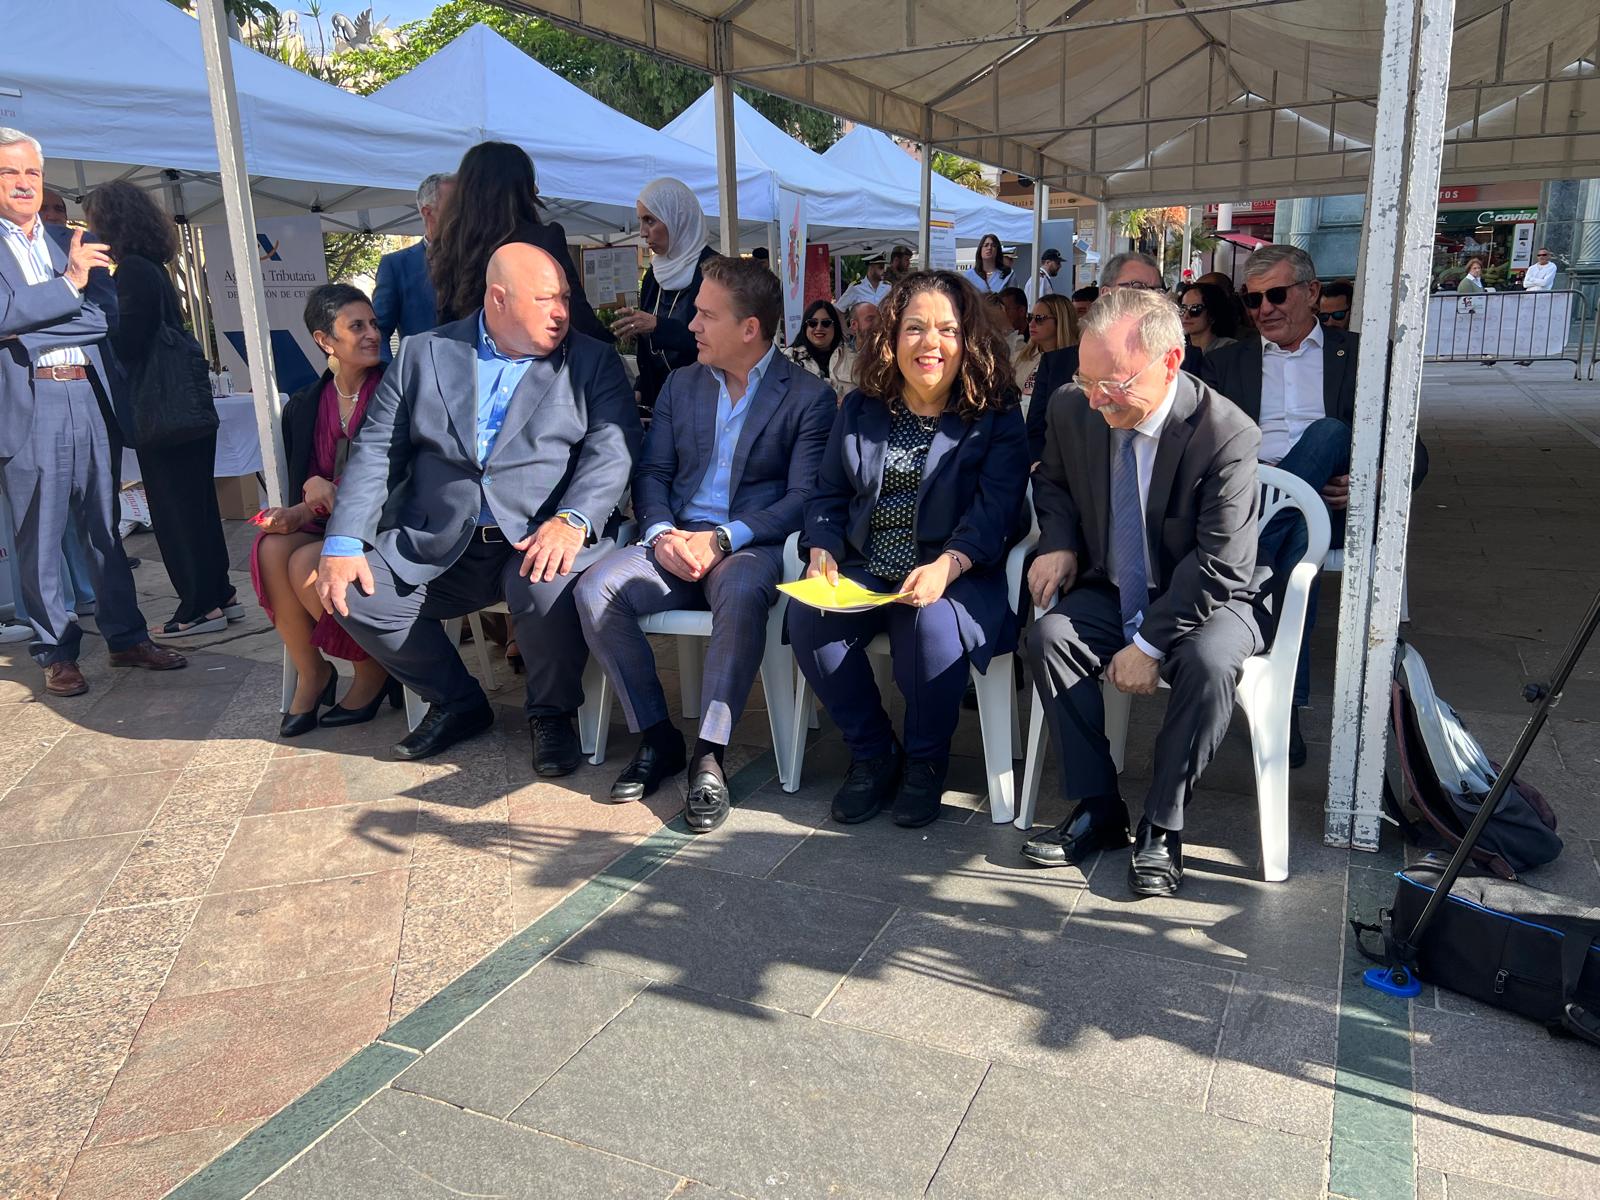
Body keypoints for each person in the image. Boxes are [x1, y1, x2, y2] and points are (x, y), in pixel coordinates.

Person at [317, 243, 642, 768]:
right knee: (351, 592)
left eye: (564, 297)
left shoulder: (590, 359)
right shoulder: (424, 353)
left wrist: (574, 519)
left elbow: (613, 448)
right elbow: (376, 450)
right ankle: (459, 702)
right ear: (498, 298)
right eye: (545, 299)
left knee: (548, 587)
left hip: (537, 534)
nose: (561, 311)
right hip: (441, 536)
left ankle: (551, 714)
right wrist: (343, 539)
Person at [1021, 286, 1268, 897]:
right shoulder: (1073, 406)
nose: (1097, 398)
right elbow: (1052, 483)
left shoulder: (1225, 434)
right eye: (1087, 380)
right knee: (1050, 637)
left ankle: (1162, 824)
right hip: (1113, 582)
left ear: (1170, 362)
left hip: (1208, 596)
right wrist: (1059, 542)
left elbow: (1221, 564)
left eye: (1114, 384)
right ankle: (1098, 808)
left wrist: (1149, 645)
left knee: (1210, 663)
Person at [577, 257, 836, 832]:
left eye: (705, 315)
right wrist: (662, 533)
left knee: (740, 591)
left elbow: (803, 497)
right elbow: (653, 473)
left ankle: (710, 755)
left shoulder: (808, 397)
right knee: (595, 590)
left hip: (750, 544)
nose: (691, 325)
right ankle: (658, 737)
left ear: (749, 328)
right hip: (675, 538)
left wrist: (724, 537)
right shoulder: (682, 383)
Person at [788, 270, 1027, 829]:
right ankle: (873, 753)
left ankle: (925, 760)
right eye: (915, 327)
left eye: (947, 329)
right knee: (808, 617)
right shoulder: (861, 407)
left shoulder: (995, 412)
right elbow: (828, 493)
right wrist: (821, 547)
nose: (930, 342)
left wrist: (948, 564)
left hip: (956, 567)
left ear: (968, 339)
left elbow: (998, 509)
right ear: (892, 337)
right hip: (866, 564)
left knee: (929, 628)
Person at [1201, 243, 1427, 767]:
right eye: (1252, 300)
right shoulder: (1226, 362)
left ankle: (1251, 562)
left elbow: (1412, 447)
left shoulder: (1361, 355)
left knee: (1327, 434)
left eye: (1277, 295)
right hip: (1256, 496)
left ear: (1312, 292)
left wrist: (1373, 481)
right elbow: (1202, 444)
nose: (1264, 309)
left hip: (1327, 497)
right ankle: (1285, 707)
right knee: (1300, 539)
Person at [0, 127, 185, 695]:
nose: (25, 183)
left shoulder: (74, 238)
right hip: (30, 403)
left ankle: (126, 638)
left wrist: (30, 324)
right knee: (40, 537)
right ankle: (56, 651)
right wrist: (69, 287)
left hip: (88, 394)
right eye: (10, 172)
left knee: (105, 528)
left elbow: (104, 316)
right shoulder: (70, 260)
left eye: (33, 172)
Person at [84, 181, 235, 638]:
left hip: (162, 410)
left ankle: (199, 606)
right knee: (197, 507)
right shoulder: (152, 267)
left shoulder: (131, 271)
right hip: (185, 408)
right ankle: (219, 594)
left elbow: (129, 341)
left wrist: (94, 320)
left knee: (174, 512)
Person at [251, 284, 398, 737]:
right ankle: (312, 671)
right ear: (324, 340)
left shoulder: (395, 390)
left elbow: (397, 474)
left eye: (373, 324)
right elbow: (306, 480)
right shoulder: (308, 403)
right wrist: (300, 507)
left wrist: (326, 490)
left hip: (385, 522)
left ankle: (372, 670)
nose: (372, 334)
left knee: (305, 563)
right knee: (270, 547)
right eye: (357, 326)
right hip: (327, 519)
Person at [1025, 252, 1204, 464]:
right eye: (1137, 288)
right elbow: (1039, 439)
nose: (1150, 300)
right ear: (1105, 294)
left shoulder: (1189, 368)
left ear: (1170, 364)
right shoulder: (1061, 377)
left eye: (1157, 292)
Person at [428, 141, 607, 341]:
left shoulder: (449, 244)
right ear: (517, 187)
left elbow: (446, 319)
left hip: (470, 353)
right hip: (532, 354)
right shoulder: (542, 240)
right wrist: (608, 344)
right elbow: (576, 315)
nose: (536, 190)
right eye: (529, 181)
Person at [610, 176, 717, 411]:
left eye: (650, 220)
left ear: (677, 218)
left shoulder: (715, 272)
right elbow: (650, 355)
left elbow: (718, 340)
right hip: (660, 404)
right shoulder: (654, 274)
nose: (642, 232)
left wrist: (657, 326)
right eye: (640, 221)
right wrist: (641, 389)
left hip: (706, 402)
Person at [372, 172, 454, 362]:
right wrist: (388, 373)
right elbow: (380, 331)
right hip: (425, 376)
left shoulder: (484, 258)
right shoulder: (396, 266)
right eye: (455, 206)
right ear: (428, 212)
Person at [1014, 293, 1078, 413]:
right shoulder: (1019, 358)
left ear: (1060, 320)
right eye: (1030, 318)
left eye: (1039, 318)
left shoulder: (1077, 362)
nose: (1031, 324)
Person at [787, 298, 855, 394]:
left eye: (826, 323)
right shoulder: (789, 359)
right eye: (813, 323)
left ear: (835, 326)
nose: (819, 328)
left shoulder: (853, 358)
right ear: (805, 327)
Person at [1180, 281, 1239, 355]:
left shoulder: (1229, 348)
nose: (1186, 316)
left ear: (1212, 313)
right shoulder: (1176, 346)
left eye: (1195, 309)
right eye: (1183, 308)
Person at [998, 286, 1030, 354]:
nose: (1002, 315)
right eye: (1000, 310)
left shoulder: (1034, 339)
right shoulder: (1000, 338)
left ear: (1021, 311)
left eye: (1006, 309)